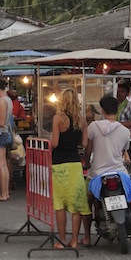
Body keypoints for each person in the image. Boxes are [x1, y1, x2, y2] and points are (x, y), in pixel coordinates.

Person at [87, 95, 131, 243]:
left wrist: (86, 162)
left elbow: (88, 150)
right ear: (117, 110)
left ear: (102, 110)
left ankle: (87, 237)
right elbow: (123, 152)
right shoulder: (124, 131)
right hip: (119, 173)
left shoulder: (93, 127)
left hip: (98, 173)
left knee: (87, 202)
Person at [49, 89, 91, 249]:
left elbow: (55, 143)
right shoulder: (82, 120)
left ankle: (62, 240)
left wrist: (50, 140)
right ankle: (74, 240)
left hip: (59, 164)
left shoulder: (58, 119)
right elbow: (85, 144)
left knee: (60, 204)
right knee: (76, 205)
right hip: (75, 164)